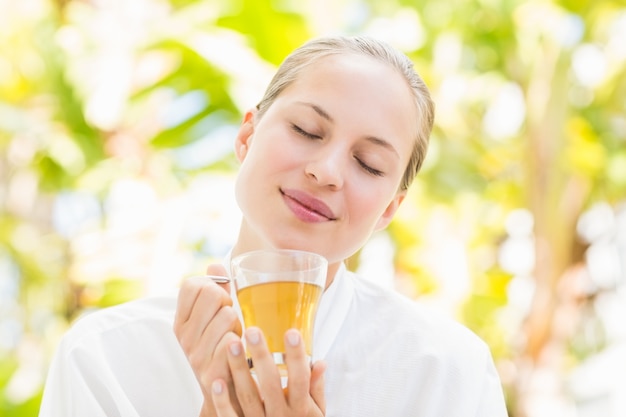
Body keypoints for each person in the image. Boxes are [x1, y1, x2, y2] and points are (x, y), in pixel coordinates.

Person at [39, 35, 508, 417]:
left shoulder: (448, 372)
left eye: (368, 164)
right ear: (247, 136)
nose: (326, 172)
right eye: (306, 130)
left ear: (389, 208)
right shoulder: (104, 358)